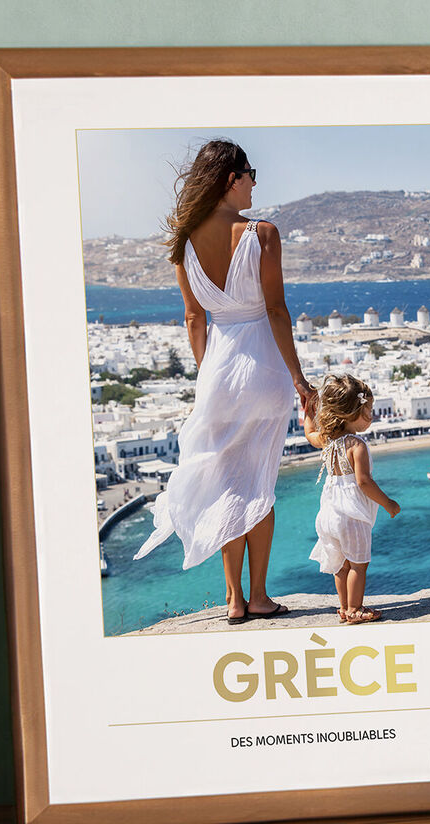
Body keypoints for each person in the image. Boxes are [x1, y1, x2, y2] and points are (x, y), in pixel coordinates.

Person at [133, 139, 316, 625]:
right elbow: (276, 311)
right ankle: (259, 595)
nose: (255, 181)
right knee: (259, 484)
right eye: (250, 172)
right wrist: (300, 378)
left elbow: (194, 319)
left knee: (225, 484)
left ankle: (233, 599)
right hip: (264, 370)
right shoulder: (263, 234)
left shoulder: (184, 241)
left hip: (216, 373)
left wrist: (207, 376)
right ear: (230, 178)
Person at [302, 374, 401, 624]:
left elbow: (310, 432)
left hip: (328, 514)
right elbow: (363, 482)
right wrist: (387, 502)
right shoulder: (356, 445)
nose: (372, 416)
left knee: (341, 565)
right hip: (351, 515)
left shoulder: (327, 440)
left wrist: (308, 407)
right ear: (352, 413)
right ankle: (356, 609)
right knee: (358, 564)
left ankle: (344, 607)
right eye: (368, 411)